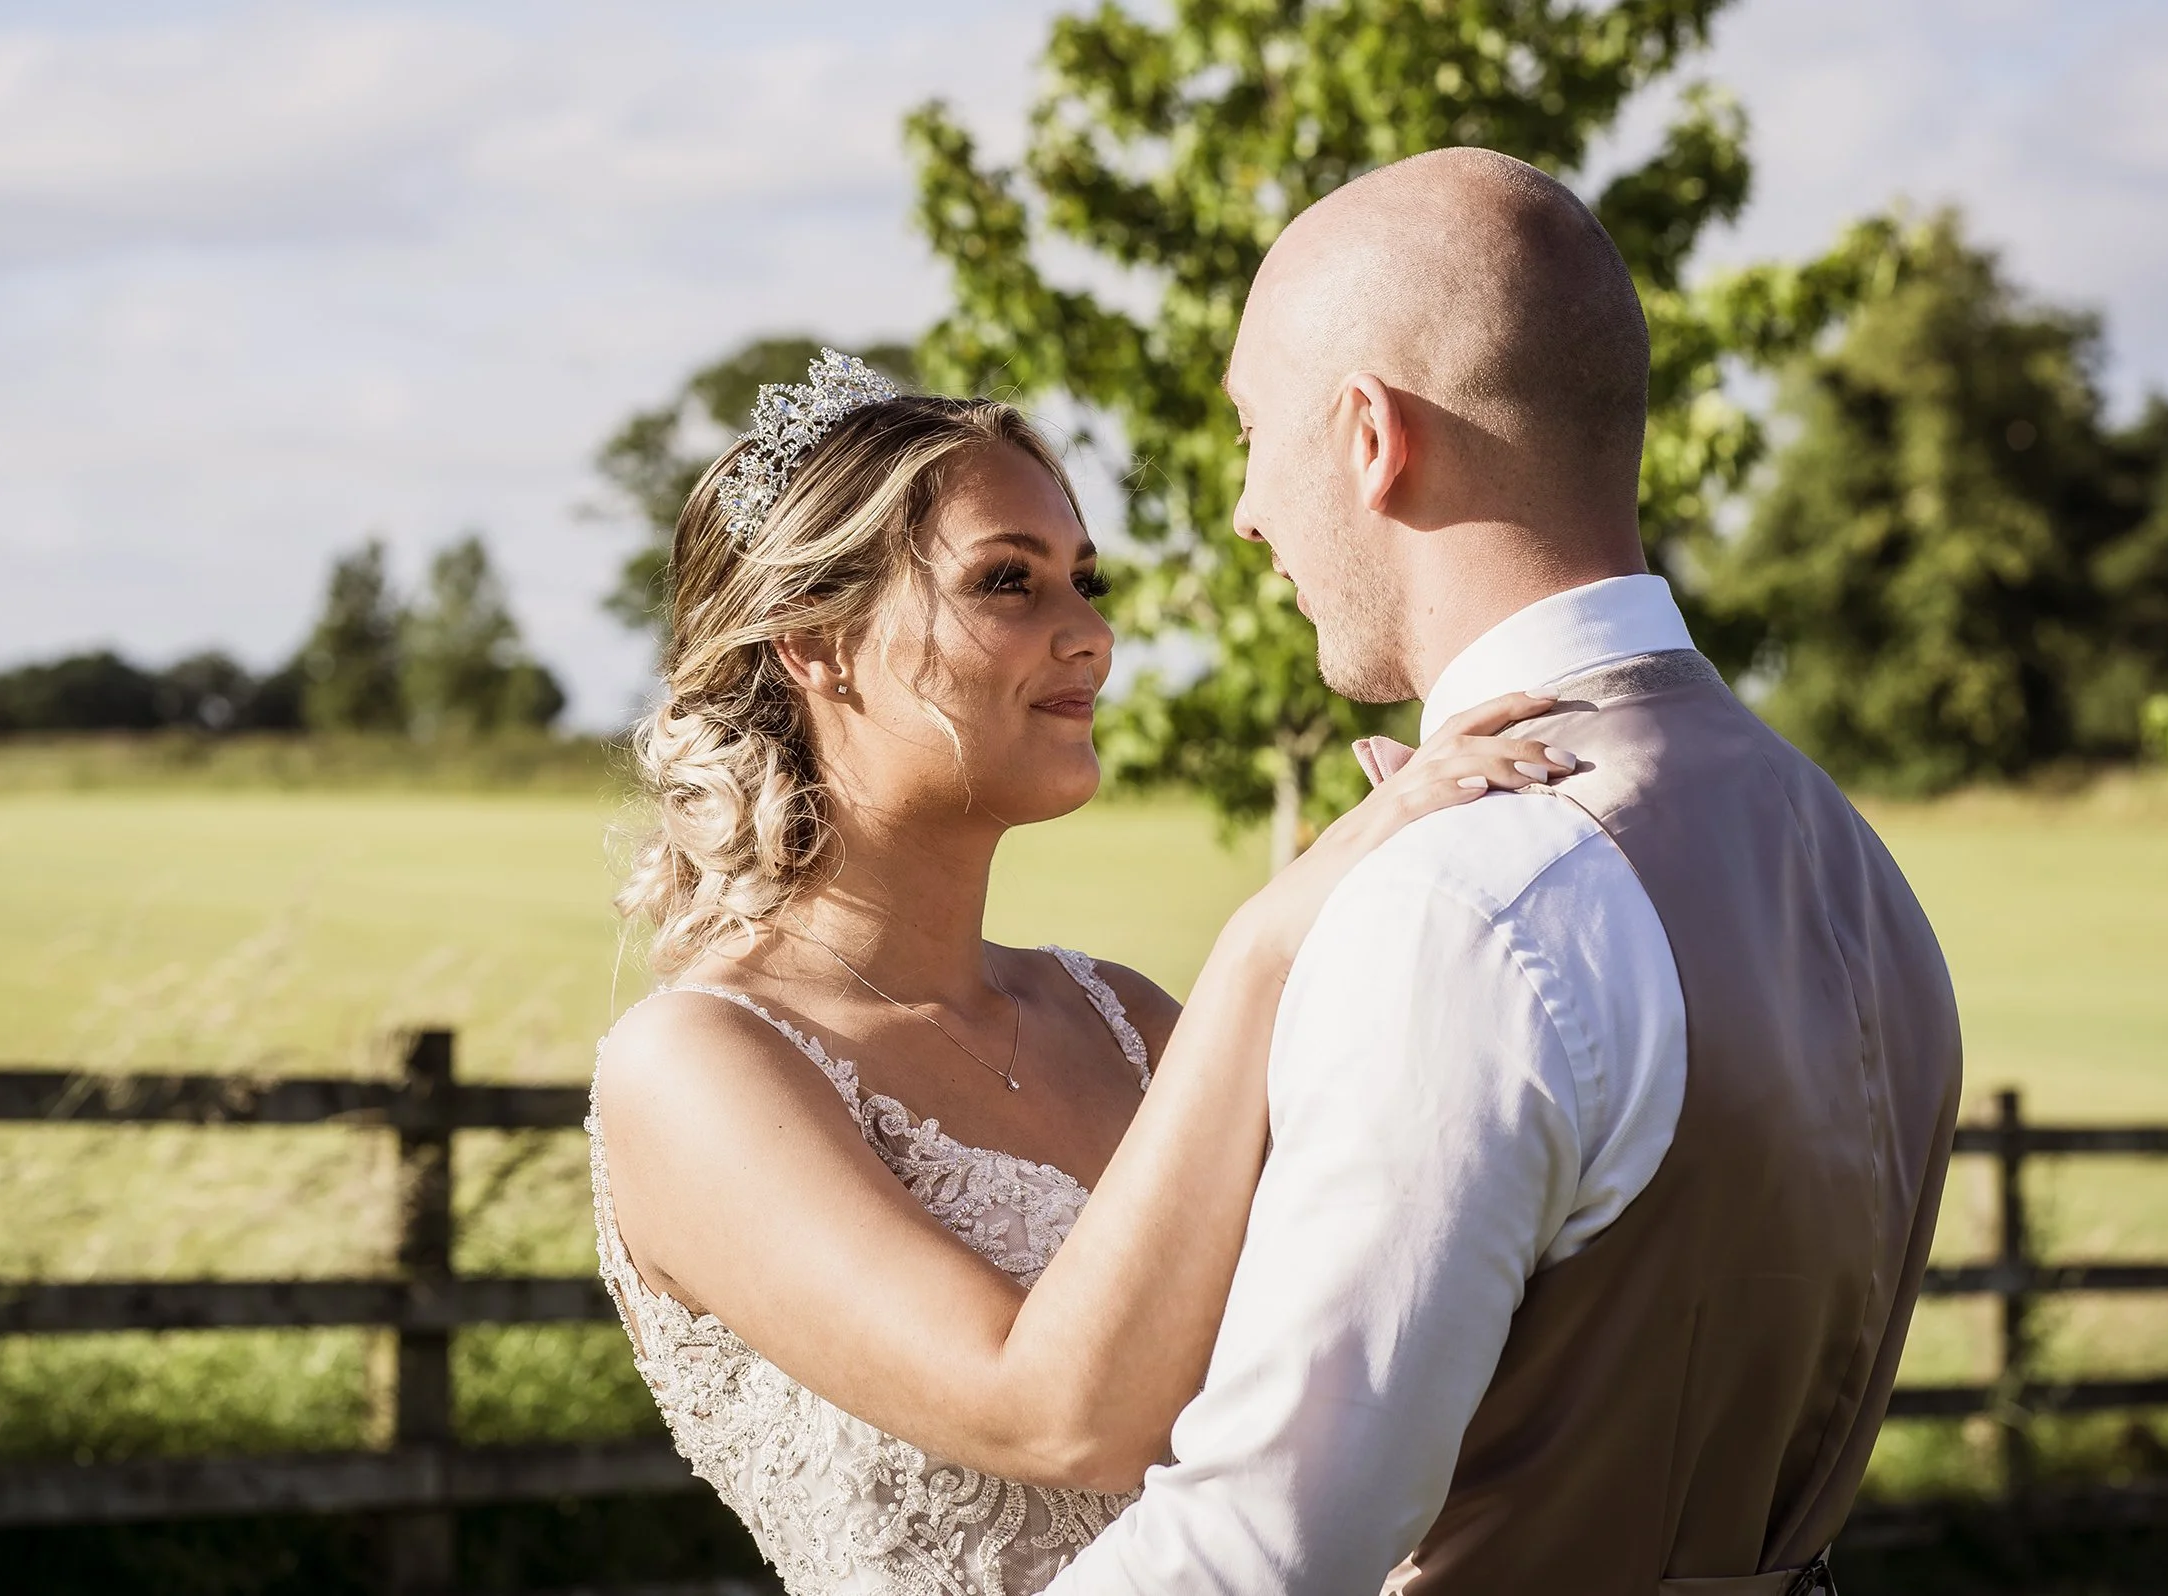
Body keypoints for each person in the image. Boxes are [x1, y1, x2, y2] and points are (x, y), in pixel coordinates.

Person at [1043, 148, 1964, 1595]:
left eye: (1250, 433)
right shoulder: (1847, 855)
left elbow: (1267, 1547)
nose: (1243, 511)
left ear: (1366, 437)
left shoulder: (1473, 900)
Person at [586, 349, 1582, 1596]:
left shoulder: (1124, 1022)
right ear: (814, 645)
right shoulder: (697, 1065)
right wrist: (1268, 943)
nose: (1093, 637)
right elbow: (1048, 1415)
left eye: (1086, 581)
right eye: (1008, 581)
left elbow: (1380, 1358)